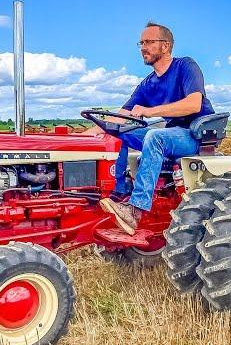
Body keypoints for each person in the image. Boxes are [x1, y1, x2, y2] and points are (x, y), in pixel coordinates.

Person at [86, 22, 215, 235]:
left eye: (149, 42)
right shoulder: (148, 83)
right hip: (171, 134)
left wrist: (150, 111)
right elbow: (122, 115)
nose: (143, 47)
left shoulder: (185, 66)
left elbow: (194, 104)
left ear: (165, 46)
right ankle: (118, 193)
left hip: (195, 134)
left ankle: (135, 211)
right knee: (118, 133)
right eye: (141, 43)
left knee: (155, 136)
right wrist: (88, 135)